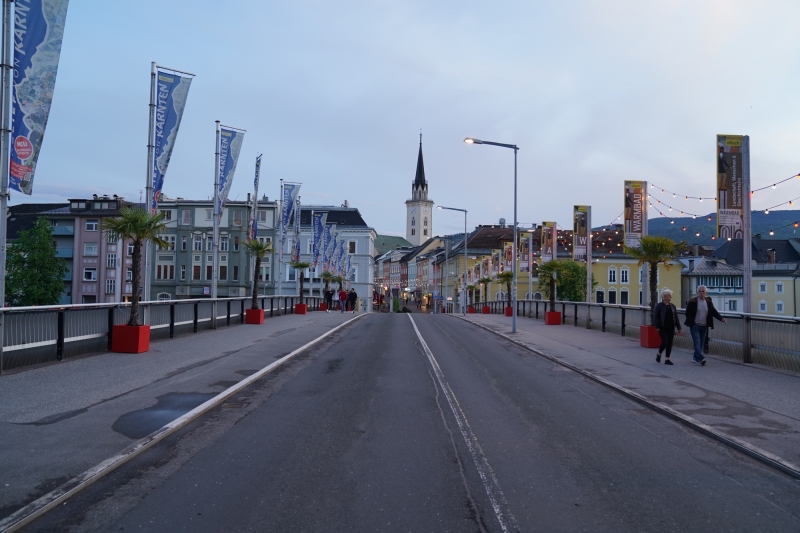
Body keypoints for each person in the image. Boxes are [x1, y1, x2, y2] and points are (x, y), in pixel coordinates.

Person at [684, 285, 726, 366]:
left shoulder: (708, 302)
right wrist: (692, 323)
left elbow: (713, 311)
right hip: (695, 325)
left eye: (703, 291)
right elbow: (687, 313)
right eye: (699, 291)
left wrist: (721, 318)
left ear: (706, 292)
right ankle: (701, 358)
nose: (701, 293)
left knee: (701, 343)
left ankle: (695, 357)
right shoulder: (692, 301)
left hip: (704, 326)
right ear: (697, 292)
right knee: (697, 342)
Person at [653, 289, 681, 365]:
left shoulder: (672, 306)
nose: (670, 296)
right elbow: (655, 316)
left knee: (670, 343)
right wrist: (657, 326)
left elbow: (676, 317)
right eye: (669, 295)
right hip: (662, 327)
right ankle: (659, 354)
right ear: (664, 297)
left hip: (671, 327)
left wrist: (678, 327)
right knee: (665, 342)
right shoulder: (659, 306)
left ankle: (667, 359)